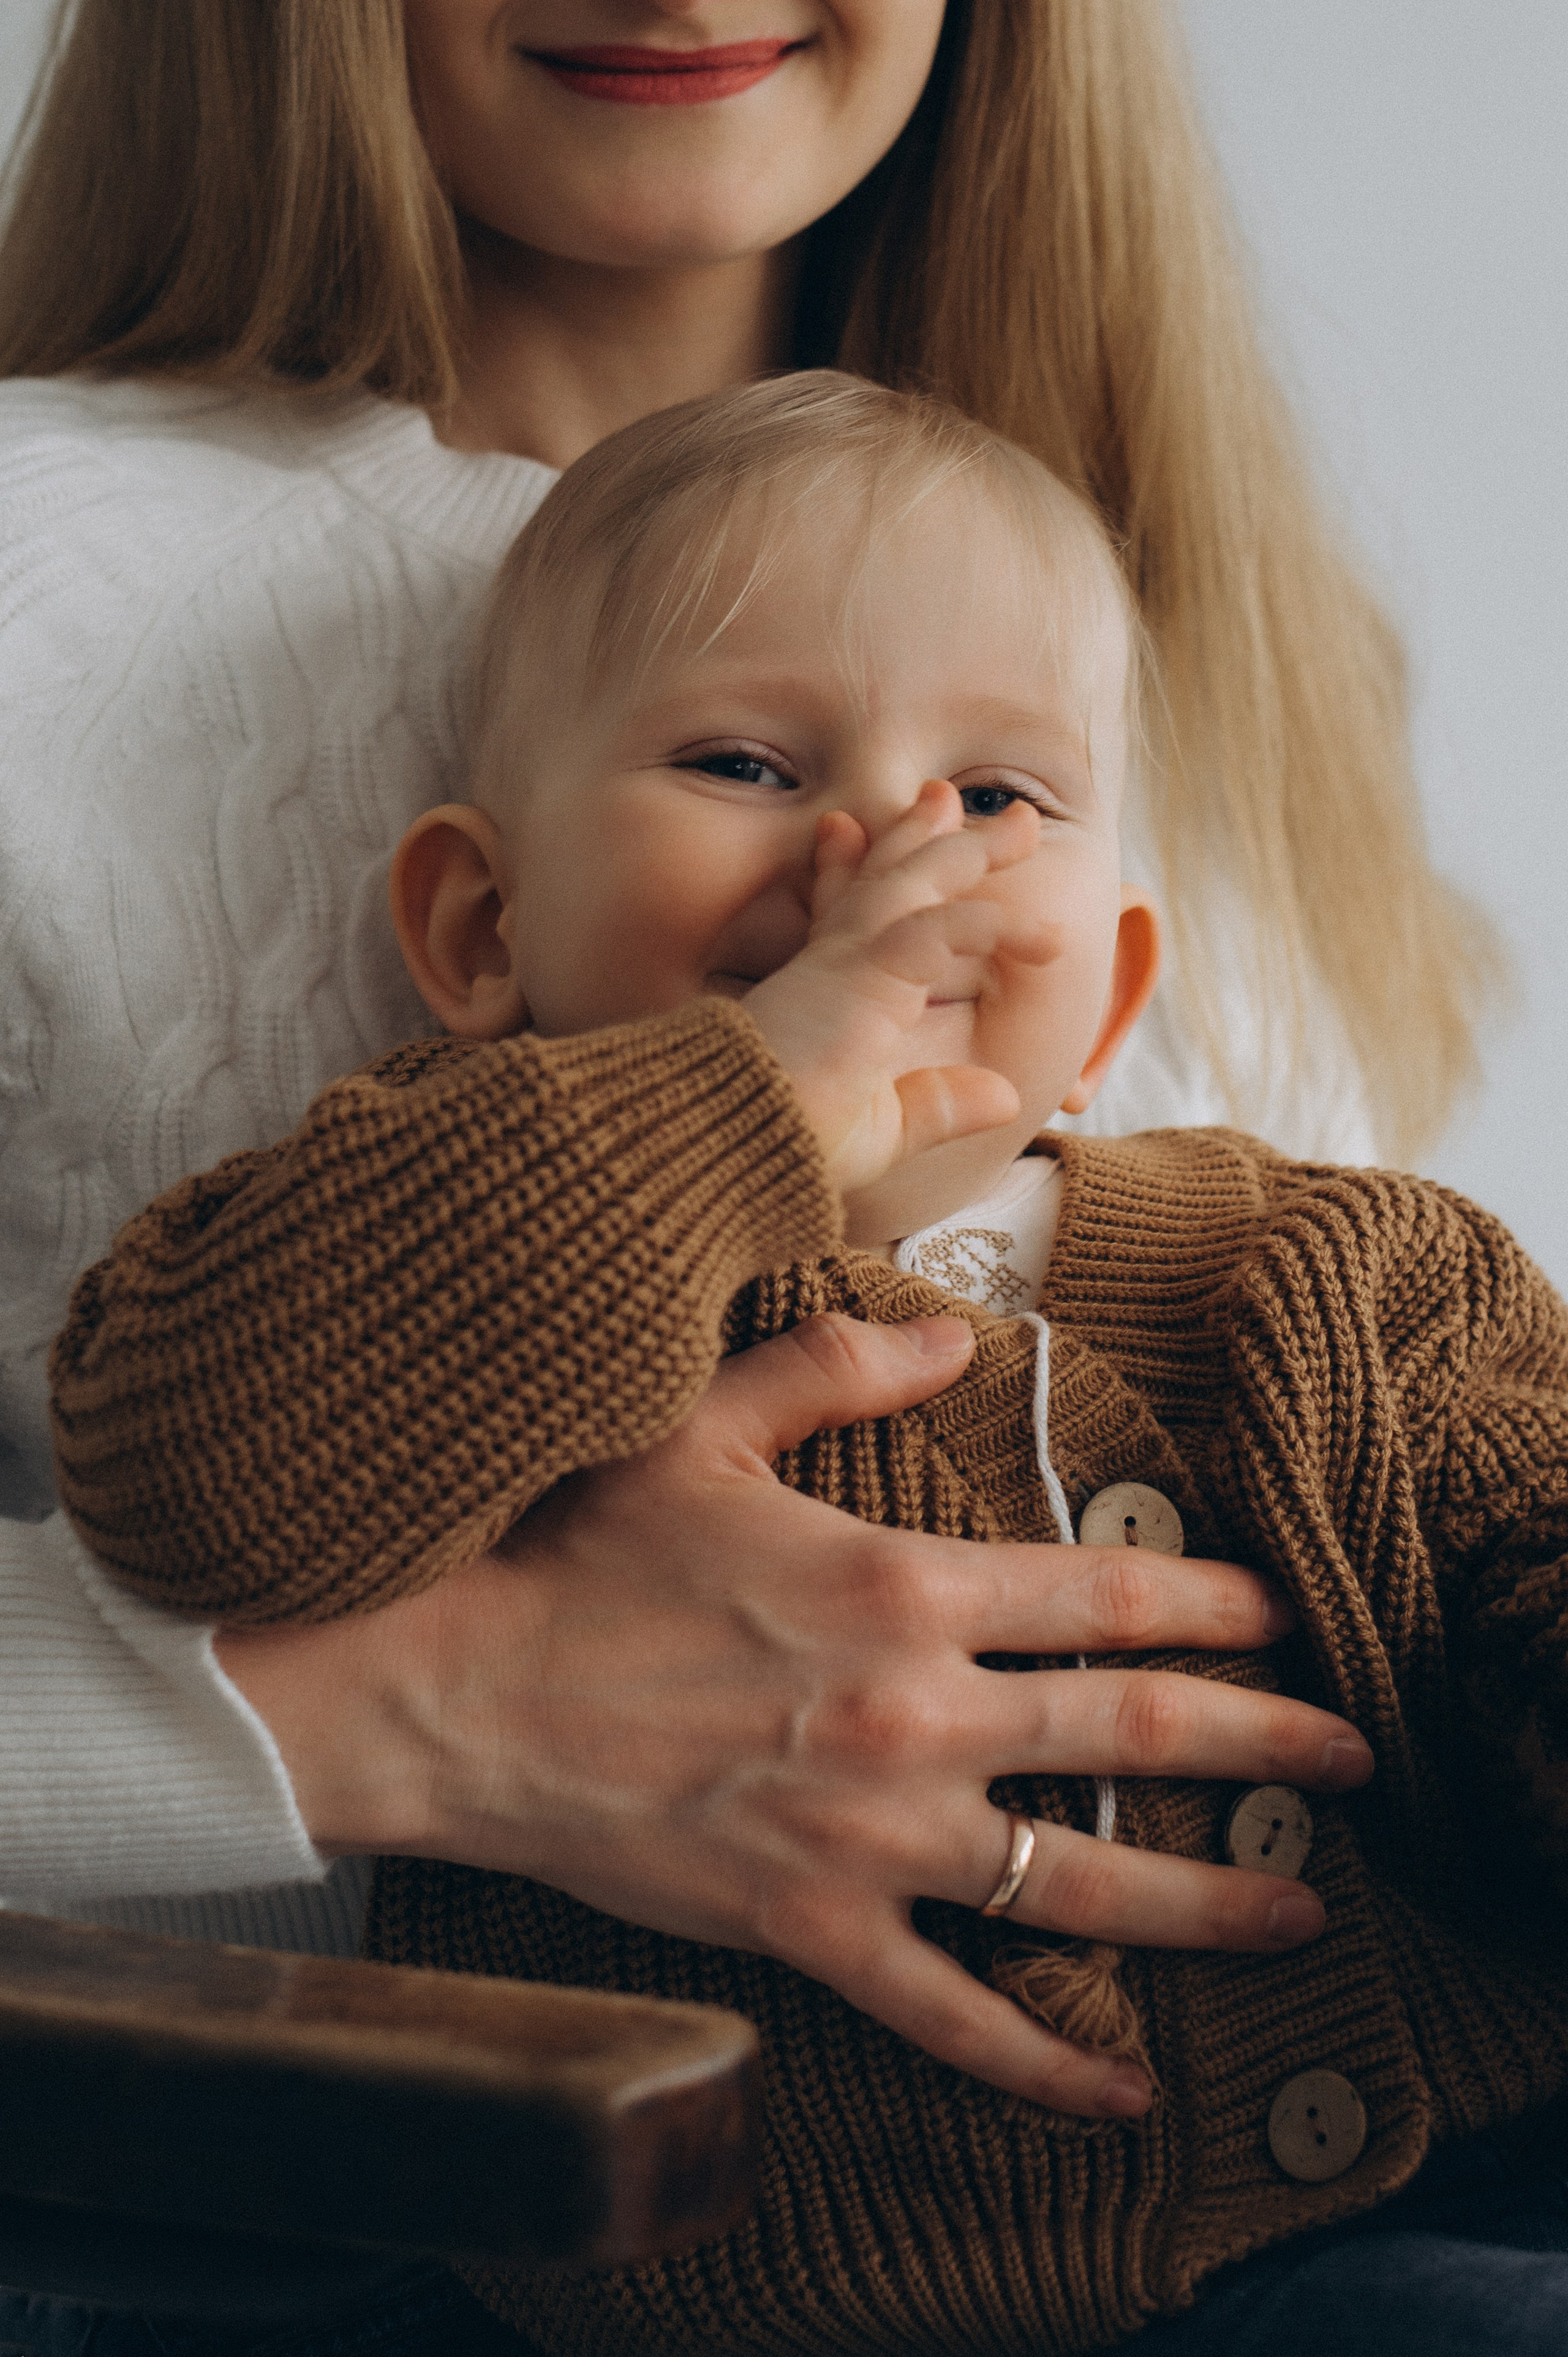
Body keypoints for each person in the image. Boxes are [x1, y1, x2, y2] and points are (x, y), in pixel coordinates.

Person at [0, 0, 1494, 2339]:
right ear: (472, 924)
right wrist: (423, 1712)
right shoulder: (42, 594)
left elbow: (1461, 1501)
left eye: (999, 802)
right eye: (730, 758)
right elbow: (205, 1439)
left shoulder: (1217, 688)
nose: (901, 864)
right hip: (390, 2242)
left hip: (1310, 2204)